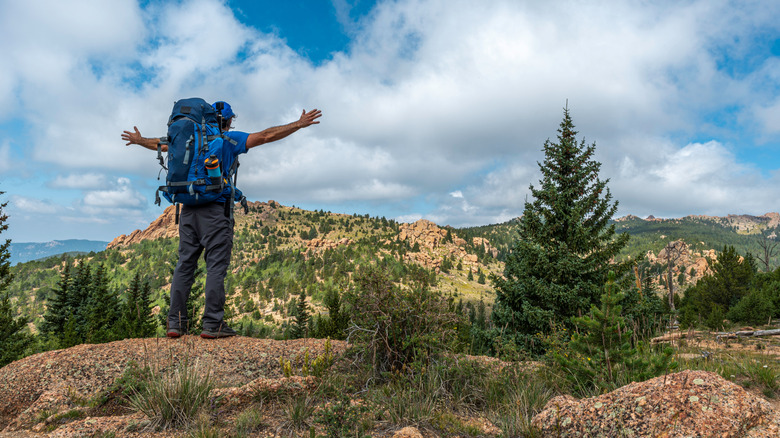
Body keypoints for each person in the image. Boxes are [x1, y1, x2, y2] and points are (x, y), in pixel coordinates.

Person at [122, 102, 322, 338]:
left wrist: (138, 140)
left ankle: (175, 324)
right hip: (215, 211)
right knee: (215, 267)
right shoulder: (227, 141)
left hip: (187, 209)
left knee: (185, 266)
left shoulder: (188, 141)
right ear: (226, 122)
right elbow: (266, 136)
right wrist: (298, 124)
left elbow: (159, 144)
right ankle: (212, 324)